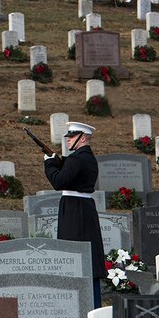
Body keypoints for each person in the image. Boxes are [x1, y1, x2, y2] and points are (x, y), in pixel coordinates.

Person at [44, 121, 104, 307]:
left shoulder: (77, 158)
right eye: (68, 136)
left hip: (74, 211)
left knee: (74, 255)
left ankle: (80, 304)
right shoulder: (86, 158)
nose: (68, 140)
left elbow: (59, 182)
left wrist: (49, 164)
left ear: (83, 138)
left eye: (72, 136)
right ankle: (92, 302)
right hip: (82, 208)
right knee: (87, 257)